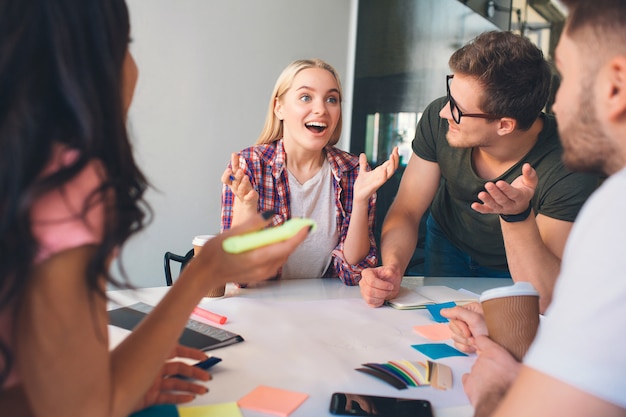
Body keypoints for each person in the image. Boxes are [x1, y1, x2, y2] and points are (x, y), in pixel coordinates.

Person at [0, 1, 310, 416]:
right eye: (125, 43)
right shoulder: (71, 183)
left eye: (332, 98)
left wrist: (118, 379)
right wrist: (205, 270)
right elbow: (83, 407)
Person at [442, 1, 626, 415]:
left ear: (615, 85)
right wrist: (514, 343)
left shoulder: (617, 213)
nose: (555, 106)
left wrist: (495, 388)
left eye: (568, 77)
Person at [359, 30, 599, 312]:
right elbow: (408, 209)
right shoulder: (441, 121)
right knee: (438, 327)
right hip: (448, 239)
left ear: (504, 125)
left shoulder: (571, 163)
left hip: (515, 262)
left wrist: (517, 214)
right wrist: (393, 268)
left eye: (458, 109)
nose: (443, 113)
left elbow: (544, 295)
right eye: (450, 96)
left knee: (506, 338)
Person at [221, 59, 399, 285]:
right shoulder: (249, 166)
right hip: (260, 309)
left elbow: (353, 271)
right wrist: (246, 206)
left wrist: (361, 200)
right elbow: (237, 276)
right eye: (306, 97)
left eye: (331, 99)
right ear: (279, 107)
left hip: (324, 308)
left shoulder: (354, 171)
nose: (321, 109)